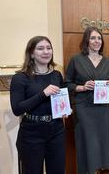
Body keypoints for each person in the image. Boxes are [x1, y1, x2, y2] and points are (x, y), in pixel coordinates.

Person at [10, 36, 65, 174]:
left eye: (49, 48)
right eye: (40, 48)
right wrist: (43, 94)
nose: (46, 51)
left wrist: (64, 109)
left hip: (56, 130)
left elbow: (61, 98)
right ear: (32, 53)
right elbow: (17, 109)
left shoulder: (57, 75)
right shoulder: (20, 78)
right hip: (31, 133)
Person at [65, 26, 109, 174]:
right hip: (84, 107)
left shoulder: (107, 61)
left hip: (102, 108)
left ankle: (99, 169)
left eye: (99, 38)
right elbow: (67, 84)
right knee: (87, 141)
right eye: (93, 38)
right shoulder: (76, 60)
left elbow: (108, 79)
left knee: (101, 141)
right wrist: (82, 87)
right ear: (86, 40)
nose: (96, 41)